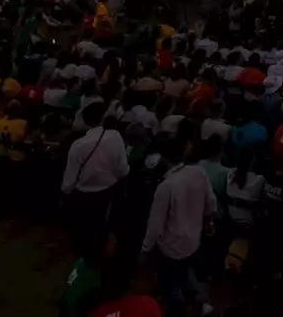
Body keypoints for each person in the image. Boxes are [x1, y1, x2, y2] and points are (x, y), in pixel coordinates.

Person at [140, 135, 217, 316]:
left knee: (172, 283)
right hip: (194, 239)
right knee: (186, 272)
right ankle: (199, 305)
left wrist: (145, 249)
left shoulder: (166, 186)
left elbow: (155, 225)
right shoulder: (198, 172)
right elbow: (211, 203)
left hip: (171, 245)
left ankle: (179, 308)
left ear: (163, 157)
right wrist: (208, 221)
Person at [62, 101, 130, 258]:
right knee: (100, 232)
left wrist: (66, 195)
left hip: (81, 197)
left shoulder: (78, 145)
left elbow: (68, 182)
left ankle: (83, 260)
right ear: (103, 118)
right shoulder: (115, 137)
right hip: (106, 195)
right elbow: (123, 170)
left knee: (82, 234)